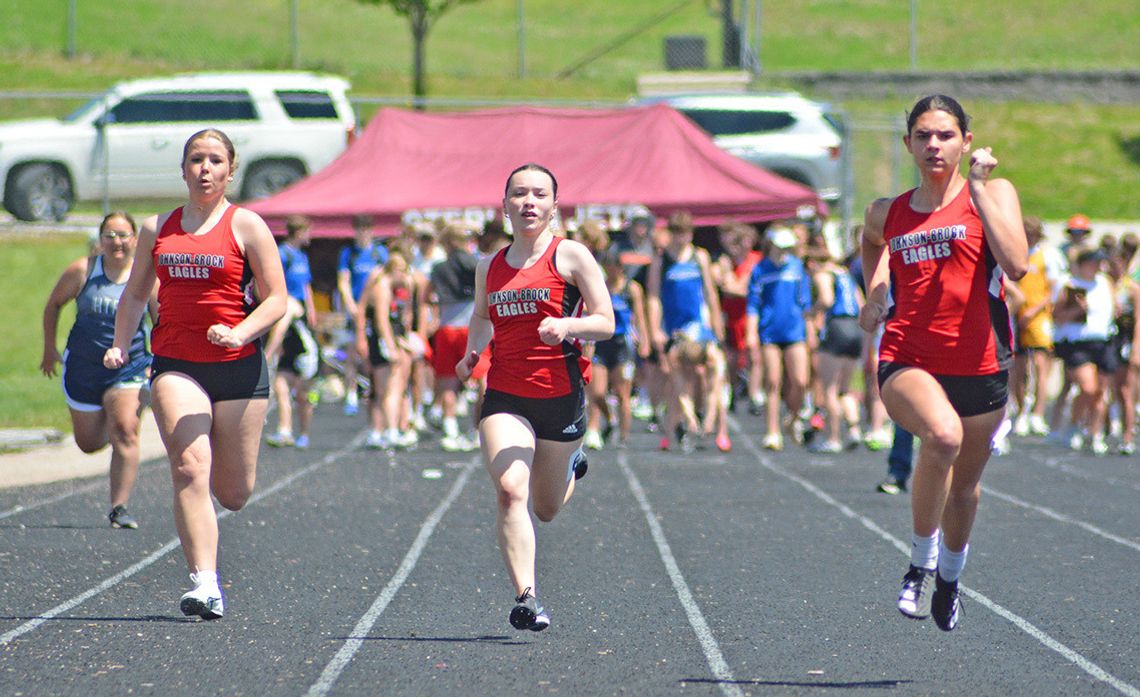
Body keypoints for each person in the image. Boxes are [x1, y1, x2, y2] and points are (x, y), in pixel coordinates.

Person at [104, 128, 288, 620]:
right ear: (182, 168)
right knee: (188, 467)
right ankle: (205, 583)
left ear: (231, 170)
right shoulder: (156, 227)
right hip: (176, 365)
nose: (204, 169)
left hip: (238, 370)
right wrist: (122, 344)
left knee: (233, 493)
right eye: (195, 160)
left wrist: (242, 332)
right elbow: (137, 294)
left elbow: (277, 298)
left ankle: (213, 544)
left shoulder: (247, 225)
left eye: (214, 161)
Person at [859, 95, 1026, 632]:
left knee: (965, 489)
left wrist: (976, 190)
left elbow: (1017, 265)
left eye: (946, 135)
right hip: (908, 355)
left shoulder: (993, 193)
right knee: (942, 437)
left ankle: (950, 580)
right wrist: (875, 291)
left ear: (966, 142)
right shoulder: (889, 211)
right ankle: (918, 564)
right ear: (908, 143)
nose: (934, 145)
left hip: (981, 361)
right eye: (924, 135)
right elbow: (869, 241)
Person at [455, 163, 613, 631]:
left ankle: (571, 465)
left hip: (561, 396)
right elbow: (483, 317)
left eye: (538, 194)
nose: (528, 202)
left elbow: (606, 322)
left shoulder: (572, 257)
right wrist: (472, 354)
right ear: (504, 204)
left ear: (553, 206)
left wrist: (568, 326)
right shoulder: (490, 265)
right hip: (505, 396)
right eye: (519, 193)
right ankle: (527, 597)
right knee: (509, 491)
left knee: (546, 508)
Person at [41, 211, 156, 529]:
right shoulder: (83, 270)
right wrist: (49, 349)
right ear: (101, 239)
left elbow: (161, 322)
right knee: (88, 443)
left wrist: (157, 363)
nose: (117, 242)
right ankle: (111, 417)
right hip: (83, 366)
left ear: (135, 239)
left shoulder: (146, 275)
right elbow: (53, 305)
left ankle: (119, 507)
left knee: (125, 431)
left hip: (129, 365)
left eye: (123, 235)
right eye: (110, 235)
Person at [646, 211, 725, 452]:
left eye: (686, 234)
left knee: (715, 366)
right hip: (675, 328)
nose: (682, 239)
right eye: (678, 234)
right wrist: (655, 330)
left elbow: (710, 293)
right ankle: (682, 423)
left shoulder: (699, 257)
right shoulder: (661, 261)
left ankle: (712, 421)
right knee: (676, 376)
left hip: (699, 326)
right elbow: (654, 297)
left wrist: (716, 324)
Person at [746, 225, 812, 451]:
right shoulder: (760, 270)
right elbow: (753, 305)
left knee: (800, 381)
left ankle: (793, 417)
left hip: (795, 331)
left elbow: (805, 304)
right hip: (770, 332)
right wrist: (751, 333)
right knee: (773, 381)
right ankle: (772, 431)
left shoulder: (796, 268)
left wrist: (810, 332)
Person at [1052, 247, 1117, 455]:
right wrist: (1078, 310)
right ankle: (1075, 423)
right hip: (1079, 342)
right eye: (1093, 262)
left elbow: (1114, 309)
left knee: (1100, 392)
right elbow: (1057, 316)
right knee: (1088, 387)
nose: (1097, 266)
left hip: (1103, 340)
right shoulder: (1069, 284)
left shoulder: (1106, 283)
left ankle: (1094, 431)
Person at [584, 247, 650, 449]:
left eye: (614, 267)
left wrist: (644, 341)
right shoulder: (600, 288)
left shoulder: (631, 289)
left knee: (623, 393)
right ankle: (610, 418)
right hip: (603, 344)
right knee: (597, 392)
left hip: (622, 345)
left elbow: (639, 317)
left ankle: (623, 436)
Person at [265, 214, 318, 448]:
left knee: (301, 390)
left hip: (300, 319)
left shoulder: (302, 256)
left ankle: (304, 433)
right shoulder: (283, 253)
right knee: (282, 384)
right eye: (307, 231)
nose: (310, 236)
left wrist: (312, 310)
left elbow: (306, 286)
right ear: (298, 232)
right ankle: (285, 430)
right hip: (286, 310)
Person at [806, 246, 865, 453]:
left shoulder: (823, 273)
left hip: (837, 326)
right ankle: (854, 428)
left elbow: (826, 298)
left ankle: (833, 437)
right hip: (854, 328)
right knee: (844, 389)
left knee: (829, 387)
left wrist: (811, 313)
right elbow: (861, 303)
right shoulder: (845, 274)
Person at [428, 222, 480, 452]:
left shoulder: (438, 267)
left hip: (446, 328)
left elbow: (429, 294)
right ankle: (477, 429)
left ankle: (450, 429)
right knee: (483, 379)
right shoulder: (473, 263)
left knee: (447, 380)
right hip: (470, 328)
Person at [1010, 215, 1061, 437]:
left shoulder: (1047, 256)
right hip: (1017, 317)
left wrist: (1034, 310)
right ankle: (1022, 410)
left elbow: (1054, 291)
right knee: (1019, 369)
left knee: (1041, 366)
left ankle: (1038, 414)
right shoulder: (1014, 254)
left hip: (1039, 318)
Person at [336, 214, 389, 416]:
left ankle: (372, 387)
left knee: (373, 351)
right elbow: (343, 281)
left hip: (375, 310)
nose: (363, 232)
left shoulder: (379, 252)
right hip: (356, 308)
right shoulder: (348, 253)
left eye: (366, 228)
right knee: (352, 351)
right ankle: (351, 392)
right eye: (359, 228)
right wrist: (351, 305)